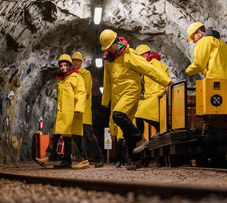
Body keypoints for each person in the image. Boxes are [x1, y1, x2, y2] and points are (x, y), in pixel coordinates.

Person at [99, 29, 172, 170]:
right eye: (106, 47)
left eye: (109, 46)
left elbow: (147, 69)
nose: (108, 49)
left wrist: (166, 81)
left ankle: (140, 138)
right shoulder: (109, 60)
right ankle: (136, 161)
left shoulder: (129, 54)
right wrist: (105, 100)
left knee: (118, 116)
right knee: (125, 130)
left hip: (131, 92)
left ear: (115, 42)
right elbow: (107, 81)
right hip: (117, 96)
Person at [35, 54, 87, 169]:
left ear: (69, 66)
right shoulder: (60, 80)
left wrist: (78, 108)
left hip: (72, 112)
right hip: (62, 112)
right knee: (61, 135)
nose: (63, 67)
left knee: (74, 136)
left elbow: (81, 93)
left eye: (65, 65)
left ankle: (84, 159)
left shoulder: (76, 78)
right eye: (61, 65)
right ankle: (64, 160)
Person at [71, 52, 104, 168]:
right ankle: (83, 158)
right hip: (74, 109)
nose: (75, 62)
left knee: (89, 134)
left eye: (77, 60)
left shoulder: (86, 74)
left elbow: (86, 91)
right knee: (76, 135)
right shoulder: (71, 74)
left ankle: (99, 158)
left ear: (81, 61)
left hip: (84, 108)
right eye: (73, 60)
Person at [185, 22, 227, 90]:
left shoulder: (203, 42)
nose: (193, 41)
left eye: (193, 37)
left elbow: (199, 64)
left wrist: (187, 72)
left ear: (199, 32)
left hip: (216, 84)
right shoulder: (221, 43)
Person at [134, 44, 170, 133]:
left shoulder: (155, 64)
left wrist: (160, 94)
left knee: (139, 114)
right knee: (138, 113)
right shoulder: (148, 65)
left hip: (157, 95)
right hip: (150, 97)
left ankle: (141, 137)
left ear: (145, 55)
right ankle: (159, 129)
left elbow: (162, 78)